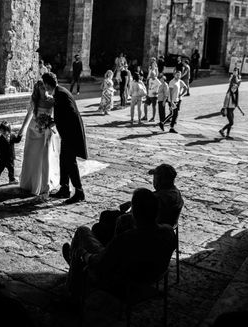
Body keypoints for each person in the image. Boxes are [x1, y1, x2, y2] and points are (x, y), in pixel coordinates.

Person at [61, 188, 176, 301]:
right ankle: (74, 265)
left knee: (82, 232)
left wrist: (84, 255)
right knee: (98, 231)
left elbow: (99, 263)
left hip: (120, 283)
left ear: (135, 213)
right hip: (152, 276)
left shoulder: (127, 238)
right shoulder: (168, 231)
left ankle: (72, 293)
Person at [43, 72, 88, 205]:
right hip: (68, 133)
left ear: (46, 84)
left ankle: (79, 191)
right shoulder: (60, 92)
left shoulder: (61, 94)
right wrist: (53, 122)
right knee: (63, 160)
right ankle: (64, 188)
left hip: (71, 134)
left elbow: (70, 115)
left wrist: (54, 122)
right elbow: (63, 114)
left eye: (44, 85)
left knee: (70, 162)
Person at [18, 80, 61, 197]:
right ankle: (29, 183)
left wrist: (51, 125)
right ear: (37, 90)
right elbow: (29, 115)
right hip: (32, 131)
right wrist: (22, 130)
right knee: (30, 157)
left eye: (44, 87)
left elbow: (56, 116)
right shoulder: (34, 101)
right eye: (41, 88)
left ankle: (43, 185)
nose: (44, 89)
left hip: (45, 133)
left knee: (43, 159)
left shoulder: (51, 100)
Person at [0, 121, 22, 186]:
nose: (4, 132)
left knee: (11, 169)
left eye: (5, 131)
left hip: (10, 157)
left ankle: (11, 179)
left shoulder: (12, 136)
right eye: (2, 131)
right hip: (3, 158)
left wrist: (20, 135)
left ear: (9, 130)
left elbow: (17, 140)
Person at [219, 67, 241, 139]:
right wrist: (224, 108)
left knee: (231, 122)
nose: (234, 88)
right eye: (233, 87)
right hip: (228, 108)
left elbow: (237, 84)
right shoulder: (229, 94)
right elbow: (225, 102)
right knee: (231, 122)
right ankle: (222, 130)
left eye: (235, 88)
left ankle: (228, 134)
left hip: (232, 108)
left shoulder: (235, 94)